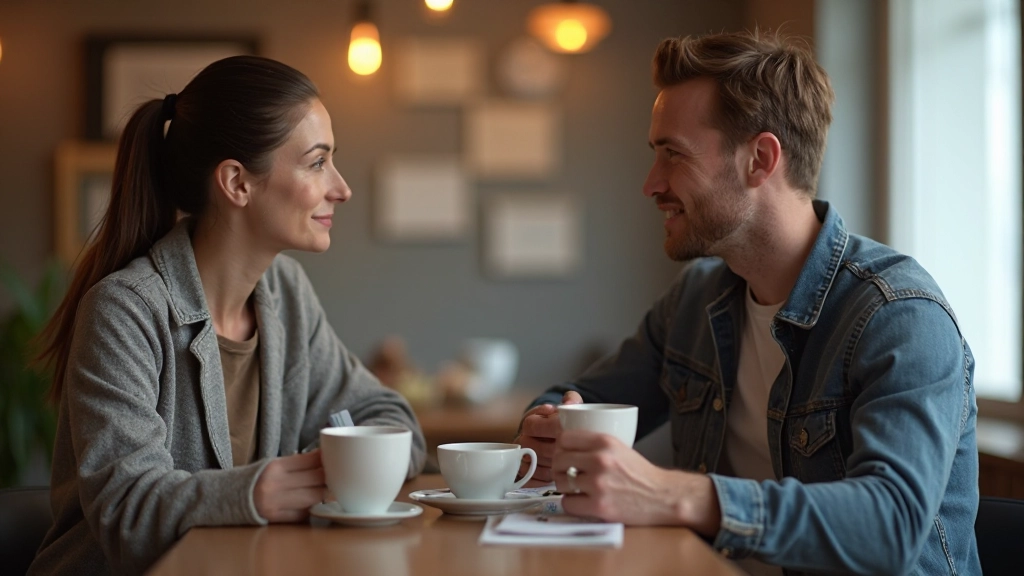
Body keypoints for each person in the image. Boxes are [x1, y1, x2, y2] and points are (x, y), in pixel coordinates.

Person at [516, 31, 980, 575]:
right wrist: (547, 428)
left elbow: (891, 524)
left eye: (673, 154)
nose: (651, 184)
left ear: (760, 159)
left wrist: (672, 494)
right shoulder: (694, 301)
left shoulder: (897, 314)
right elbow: (582, 398)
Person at [29, 55, 427, 575]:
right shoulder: (124, 311)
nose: (341, 188)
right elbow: (128, 513)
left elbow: (392, 420)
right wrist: (254, 493)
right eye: (316, 163)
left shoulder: (285, 293)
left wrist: (336, 467)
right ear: (237, 183)